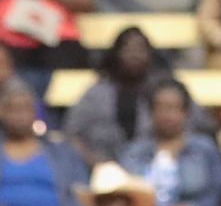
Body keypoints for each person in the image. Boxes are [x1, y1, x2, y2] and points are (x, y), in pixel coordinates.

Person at [118, 81, 221, 206]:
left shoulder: (203, 149)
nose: (167, 115)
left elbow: (220, 192)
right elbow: (122, 193)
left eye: (173, 108)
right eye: (161, 108)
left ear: (186, 112)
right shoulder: (134, 152)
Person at [64, 26, 180, 166]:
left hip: (155, 170)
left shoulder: (164, 92)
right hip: (99, 170)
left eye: (140, 49)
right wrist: (96, 164)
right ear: (116, 53)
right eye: (128, 49)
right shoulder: (95, 95)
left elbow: (193, 129)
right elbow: (72, 135)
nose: (135, 55)